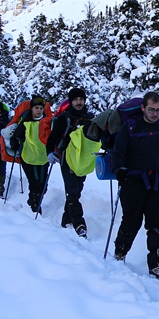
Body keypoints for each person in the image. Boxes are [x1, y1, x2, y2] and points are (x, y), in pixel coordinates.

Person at [111, 91, 159, 277]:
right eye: (151, 110)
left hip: (156, 183)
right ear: (143, 108)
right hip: (132, 182)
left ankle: (157, 263)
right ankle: (120, 253)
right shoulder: (130, 127)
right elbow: (118, 152)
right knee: (131, 221)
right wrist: (119, 171)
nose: (155, 114)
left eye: (158, 110)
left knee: (156, 223)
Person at [48, 87, 95, 237]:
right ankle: (79, 225)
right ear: (70, 101)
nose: (79, 102)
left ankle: (66, 221)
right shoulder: (64, 118)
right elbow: (53, 137)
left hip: (83, 160)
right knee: (73, 191)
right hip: (66, 159)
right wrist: (50, 152)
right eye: (75, 99)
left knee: (76, 191)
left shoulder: (89, 118)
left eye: (81, 99)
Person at [8, 95, 52, 213]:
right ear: (31, 108)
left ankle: (34, 201)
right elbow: (16, 136)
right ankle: (35, 206)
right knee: (35, 183)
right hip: (28, 157)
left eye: (41, 108)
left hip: (43, 157)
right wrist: (14, 142)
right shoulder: (25, 122)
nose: (39, 110)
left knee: (43, 185)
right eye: (36, 108)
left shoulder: (47, 122)